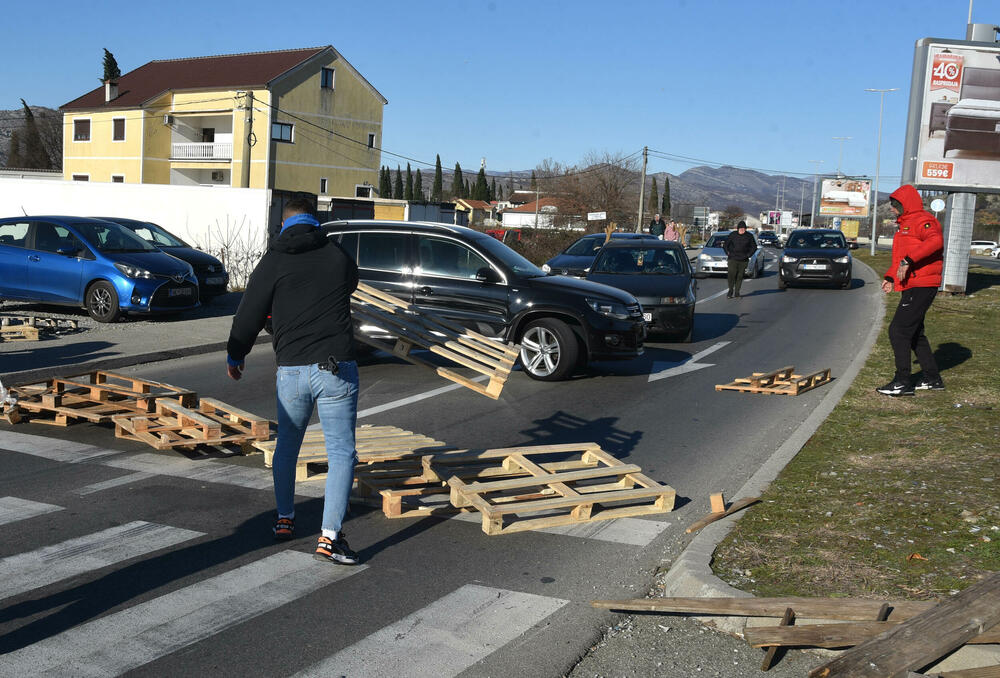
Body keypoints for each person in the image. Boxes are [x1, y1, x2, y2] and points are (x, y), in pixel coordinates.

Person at [226, 197, 362, 564]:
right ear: (315, 220)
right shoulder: (336, 255)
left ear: (282, 223)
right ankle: (329, 538)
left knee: (287, 445)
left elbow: (249, 312)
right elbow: (352, 282)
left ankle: (285, 518)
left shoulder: (273, 260)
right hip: (336, 368)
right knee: (341, 452)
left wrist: (235, 354)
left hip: (291, 371)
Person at [876, 184, 944, 397]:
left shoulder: (923, 220)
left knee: (898, 331)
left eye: (895, 206)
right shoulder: (905, 224)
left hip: (923, 284)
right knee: (915, 333)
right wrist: (890, 276)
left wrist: (909, 260)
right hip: (913, 283)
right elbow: (900, 258)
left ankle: (903, 382)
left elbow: (936, 241)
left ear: (905, 205)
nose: (892, 209)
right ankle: (932, 379)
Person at [724, 221, 756, 298]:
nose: (742, 230)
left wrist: (748, 255)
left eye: (744, 228)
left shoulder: (749, 236)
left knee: (740, 276)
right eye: (741, 228)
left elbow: (754, 247)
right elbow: (725, 245)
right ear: (738, 228)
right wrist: (727, 253)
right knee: (731, 275)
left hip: (743, 260)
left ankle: (737, 292)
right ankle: (730, 290)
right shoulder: (732, 235)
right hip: (733, 258)